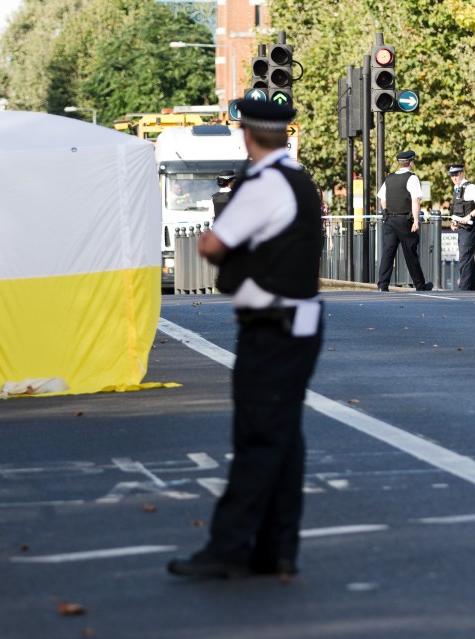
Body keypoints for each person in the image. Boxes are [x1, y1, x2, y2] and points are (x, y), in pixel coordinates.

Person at [167, 99, 323, 582]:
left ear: (248, 136)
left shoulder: (263, 183)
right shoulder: (300, 180)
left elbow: (213, 243)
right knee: (284, 441)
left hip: (271, 327)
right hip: (299, 323)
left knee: (258, 438)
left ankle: (229, 547)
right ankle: (276, 548)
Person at [375, 150, 433, 292]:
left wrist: (387, 212)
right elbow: (416, 200)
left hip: (390, 220)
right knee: (410, 253)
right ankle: (420, 285)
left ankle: (382, 285)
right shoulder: (412, 178)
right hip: (404, 220)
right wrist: (416, 221)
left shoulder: (389, 178)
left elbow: (383, 199)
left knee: (388, 252)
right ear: (411, 162)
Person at [448, 164, 475, 290]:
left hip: (468, 228)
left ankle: (464, 289)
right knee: (467, 258)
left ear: (462, 173)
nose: (454, 177)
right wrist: (454, 222)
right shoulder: (456, 188)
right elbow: (458, 210)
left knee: (464, 258)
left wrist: (470, 216)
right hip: (461, 228)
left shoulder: (470, 188)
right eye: (452, 175)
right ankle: (470, 288)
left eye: (456, 174)